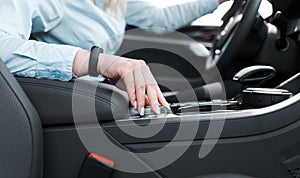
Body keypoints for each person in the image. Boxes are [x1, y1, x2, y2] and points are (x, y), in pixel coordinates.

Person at [0, 0, 226, 116]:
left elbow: (159, 17)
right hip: (68, 108)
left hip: (100, 97)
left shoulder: (113, 2)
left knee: (222, 92)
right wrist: (96, 61)